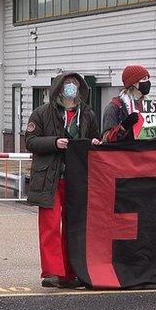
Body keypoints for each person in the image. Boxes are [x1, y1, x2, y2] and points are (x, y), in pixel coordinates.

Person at [26, 72, 101, 289]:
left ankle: (71, 272)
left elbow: (95, 137)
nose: (71, 87)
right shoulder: (41, 113)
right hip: (50, 178)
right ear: (59, 88)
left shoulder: (87, 115)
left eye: (75, 84)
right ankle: (52, 272)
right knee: (50, 226)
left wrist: (96, 141)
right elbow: (30, 141)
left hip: (76, 178)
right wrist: (53, 142)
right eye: (67, 84)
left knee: (74, 227)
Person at [102, 64, 150, 143]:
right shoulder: (115, 107)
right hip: (124, 154)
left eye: (148, 79)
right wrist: (123, 127)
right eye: (144, 79)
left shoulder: (149, 106)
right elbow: (106, 139)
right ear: (134, 83)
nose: (148, 82)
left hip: (143, 154)